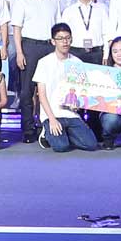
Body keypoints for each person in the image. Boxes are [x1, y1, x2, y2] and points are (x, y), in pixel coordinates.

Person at [31, 24, 99, 152]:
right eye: (60, 38)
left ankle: (66, 134)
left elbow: (82, 91)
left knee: (91, 145)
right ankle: (46, 132)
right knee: (61, 147)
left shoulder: (77, 63)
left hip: (71, 114)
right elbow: (42, 95)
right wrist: (51, 119)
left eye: (67, 38)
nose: (65, 42)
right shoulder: (44, 62)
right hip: (52, 114)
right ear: (53, 41)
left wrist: (78, 104)